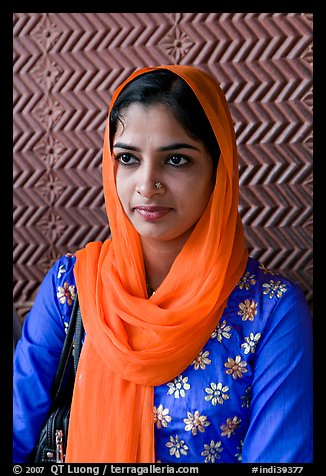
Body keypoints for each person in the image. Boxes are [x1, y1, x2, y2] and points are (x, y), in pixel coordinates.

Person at [13, 65, 313, 464]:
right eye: (128, 158)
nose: (147, 183)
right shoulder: (72, 288)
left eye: (176, 160)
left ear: (218, 171)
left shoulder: (270, 312)